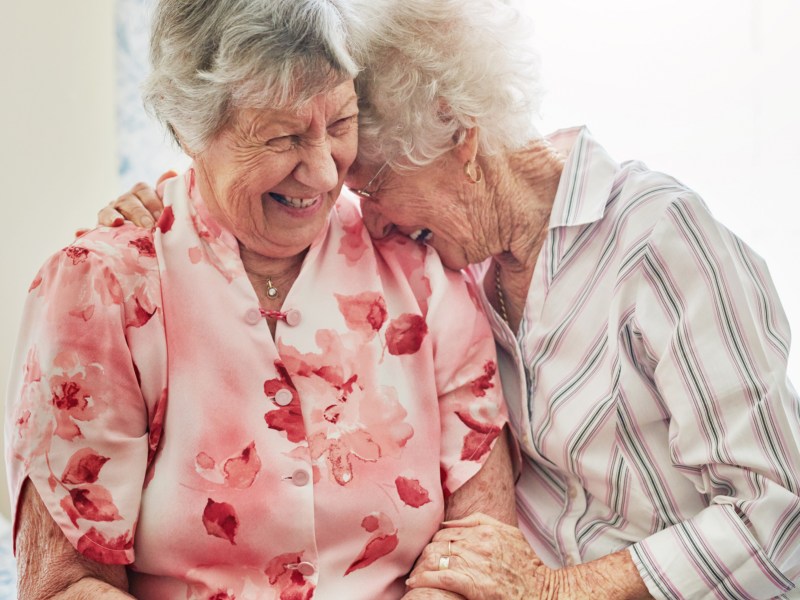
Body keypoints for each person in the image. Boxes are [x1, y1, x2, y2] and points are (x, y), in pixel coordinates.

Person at [103, 0, 800, 598]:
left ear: (460, 138)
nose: (370, 224)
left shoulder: (657, 239)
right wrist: (162, 212)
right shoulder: (461, 267)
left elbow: (779, 515)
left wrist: (558, 588)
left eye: (373, 187)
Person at [4, 1, 517, 598]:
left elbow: (481, 554)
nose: (325, 171)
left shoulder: (418, 271)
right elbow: (66, 584)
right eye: (284, 136)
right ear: (190, 131)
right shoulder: (104, 290)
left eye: (342, 123)